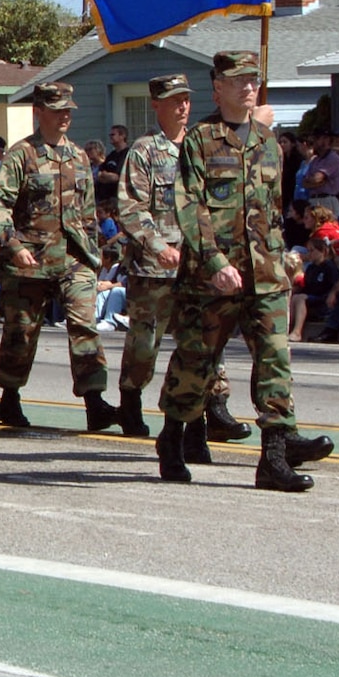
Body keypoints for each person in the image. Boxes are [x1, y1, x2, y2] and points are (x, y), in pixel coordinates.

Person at [156, 51, 333, 490]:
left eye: (253, 79)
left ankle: (275, 454)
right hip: (212, 278)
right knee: (197, 363)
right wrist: (214, 261)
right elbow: (189, 207)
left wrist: (283, 258)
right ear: (218, 87)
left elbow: (271, 211)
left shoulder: (268, 141)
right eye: (238, 80)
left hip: (266, 273)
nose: (248, 86)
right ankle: (173, 437)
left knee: (275, 358)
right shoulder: (201, 140)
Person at [111, 73, 250, 445]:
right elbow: (130, 208)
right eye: (174, 100)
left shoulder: (202, 146)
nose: (183, 106)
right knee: (144, 345)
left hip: (199, 267)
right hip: (155, 269)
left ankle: (216, 405)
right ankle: (131, 397)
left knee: (206, 341)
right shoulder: (144, 152)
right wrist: (159, 247)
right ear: (156, 105)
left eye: (186, 99)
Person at [0, 81, 114, 430]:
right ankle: (10, 398)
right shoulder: (21, 156)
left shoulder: (78, 156)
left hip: (74, 258)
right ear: (38, 112)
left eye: (68, 112)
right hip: (31, 258)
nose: (64, 118)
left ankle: (94, 400)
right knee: (21, 333)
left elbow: (88, 213)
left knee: (84, 325)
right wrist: (14, 247)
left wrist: (93, 253)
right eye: (57, 111)